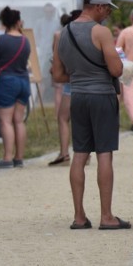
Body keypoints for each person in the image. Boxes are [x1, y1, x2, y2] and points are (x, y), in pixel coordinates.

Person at [52, 0, 129, 230]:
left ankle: (79, 216)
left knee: (80, 154)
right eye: (107, 8)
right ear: (96, 6)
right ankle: (107, 216)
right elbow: (116, 70)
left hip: (78, 96)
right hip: (102, 96)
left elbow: (58, 74)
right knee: (104, 152)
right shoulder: (101, 32)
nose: (107, 13)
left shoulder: (63, 33)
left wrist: (80, 76)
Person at [0, 6, 31, 169]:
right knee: (19, 120)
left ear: (4, 22)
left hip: (6, 82)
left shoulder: (1, 40)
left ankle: (7, 158)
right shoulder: (25, 40)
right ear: (18, 22)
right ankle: (19, 158)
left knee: (6, 121)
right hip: (24, 81)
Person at [48, 10, 81, 165]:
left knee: (63, 118)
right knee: (83, 120)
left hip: (70, 83)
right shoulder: (92, 34)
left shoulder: (60, 36)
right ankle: (84, 155)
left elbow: (56, 61)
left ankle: (64, 153)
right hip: (89, 83)